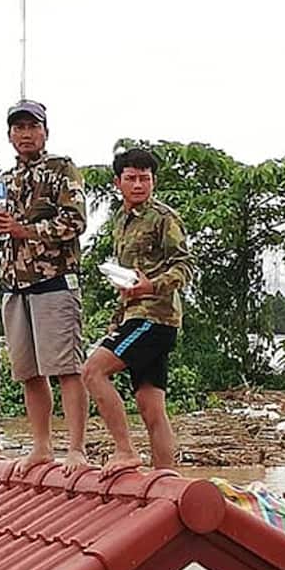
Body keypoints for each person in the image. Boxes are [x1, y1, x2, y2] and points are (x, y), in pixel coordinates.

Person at [0, 100, 89, 474]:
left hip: (54, 281)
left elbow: (75, 223)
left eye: (32, 126)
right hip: (14, 285)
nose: (25, 133)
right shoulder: (3, 181)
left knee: (66, 368)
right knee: (28, 372)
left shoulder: (62, 169)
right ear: (10, 135)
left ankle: (76, 448)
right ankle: (42, 446)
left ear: (46, 131)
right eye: (18, 128)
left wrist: (24, 229)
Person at [81, 148, 194, 474]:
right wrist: (117, 320)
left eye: (145, 178)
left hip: (155, 318)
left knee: (93, 371)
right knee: (150, 407)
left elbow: (185, 266)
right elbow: (127, 278)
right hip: (134, 316)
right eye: (131, 178)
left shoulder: (163, 218)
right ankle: (165, 480)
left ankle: (125, 451)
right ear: (118, 182)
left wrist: (151, 286)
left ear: (153, 181)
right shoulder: (120, 221)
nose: (139, 184)